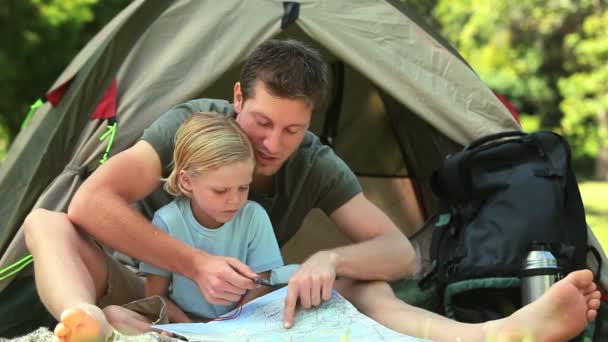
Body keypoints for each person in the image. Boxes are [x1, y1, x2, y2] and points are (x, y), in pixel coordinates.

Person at [23, 39, 599, 342]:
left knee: (360, 277)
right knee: (47, 223)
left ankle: (488, 336)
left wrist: (327, 258)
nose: (273, 144)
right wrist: (195, 263)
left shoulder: (314, 161)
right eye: (261, 123)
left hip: (245, 306)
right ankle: (82, 322)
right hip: (141, 286)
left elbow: (399, 252)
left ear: (310, 122)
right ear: (238, 99)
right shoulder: (191, 126)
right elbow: (90, 203)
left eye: (292, 129)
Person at [99, 112, 283, 335]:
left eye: (243, 188)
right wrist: (193, 330)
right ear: (187, 181)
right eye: (220, 190)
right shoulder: (168, 222)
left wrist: (226, 326)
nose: (235, 200)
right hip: (183, 324)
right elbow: (155, 295)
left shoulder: (254, 217)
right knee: (113, 316)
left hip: (239, 325)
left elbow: (262, 286)